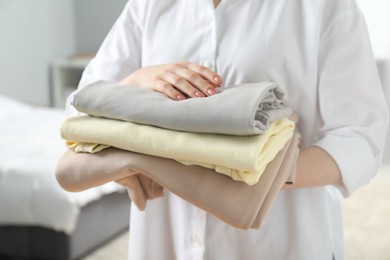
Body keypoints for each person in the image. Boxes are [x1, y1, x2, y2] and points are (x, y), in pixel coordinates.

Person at [66, 0, 389, 259]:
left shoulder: (323, 7)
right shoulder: (149, 5)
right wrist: (135, 83)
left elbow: (361, 137)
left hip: (279, 243)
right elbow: (82, 105)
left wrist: (257, 171)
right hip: (166, 239)